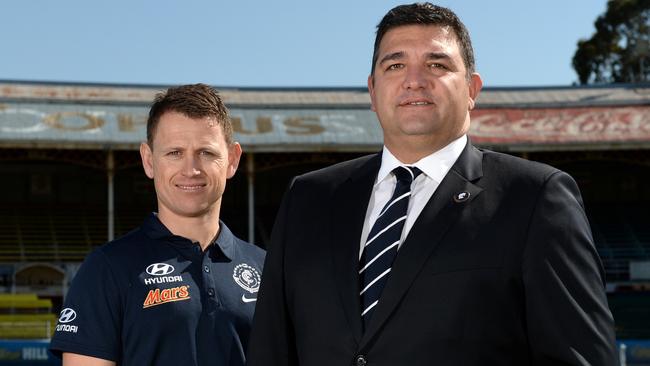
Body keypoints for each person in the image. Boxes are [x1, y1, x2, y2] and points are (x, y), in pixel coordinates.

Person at [247, 3, 618, 365]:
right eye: (395, 65)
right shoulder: (308, 198)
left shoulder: (535, 197)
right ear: (373, 91)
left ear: (472, 89)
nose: (413, 80)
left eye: (437, 64)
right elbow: (271, 349)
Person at [50, 84, 264, 366]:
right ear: (149, 161)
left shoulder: (266, 268)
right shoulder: (107, 268)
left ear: (232, 160)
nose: (191, 169)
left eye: (207, 153)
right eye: (174, 152)